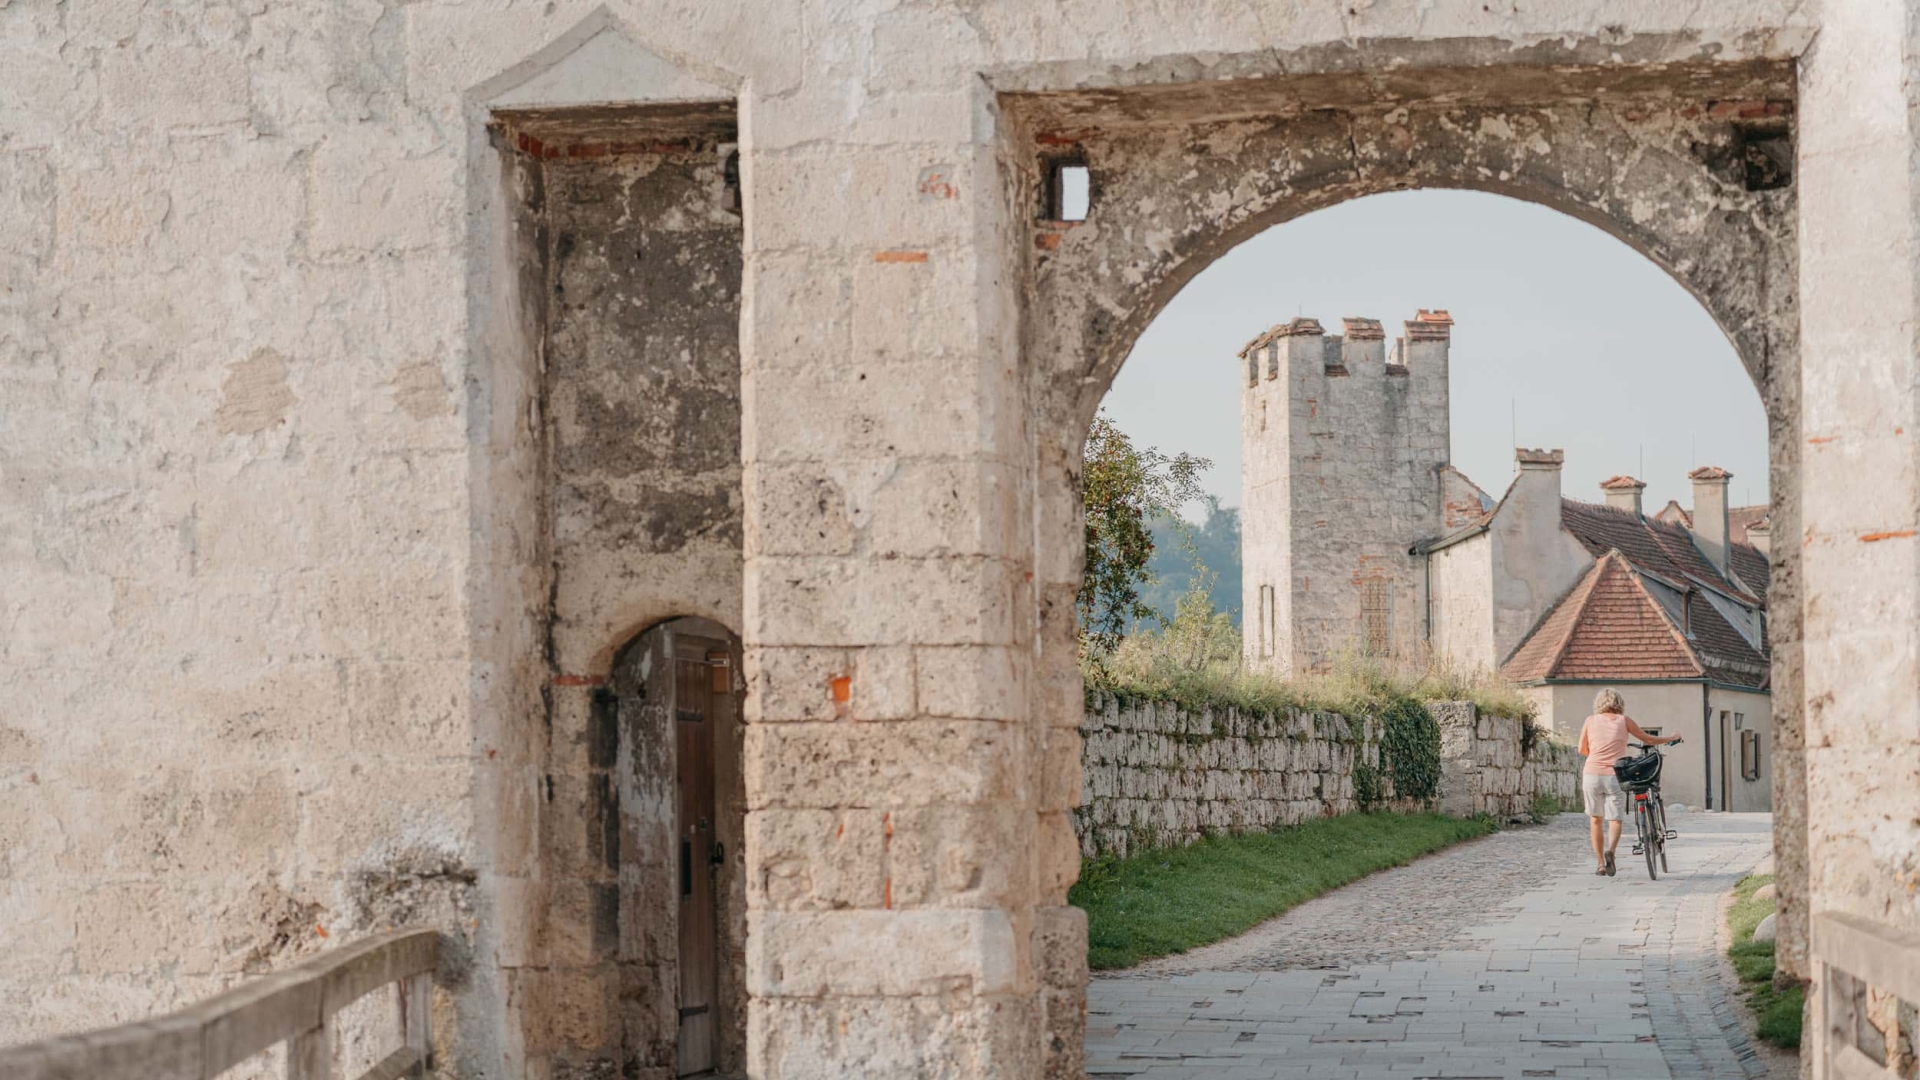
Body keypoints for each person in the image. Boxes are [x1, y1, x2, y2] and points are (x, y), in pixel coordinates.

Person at [1577, 688, 1676, 876]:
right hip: (1614, 775)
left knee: (1595, 820)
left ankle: (1600, 864)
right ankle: (1611, 852)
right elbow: (1647, 739)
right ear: (1620, 704)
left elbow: (1582, 749)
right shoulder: (1624, 721)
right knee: (1615, 819)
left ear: (1598, 703)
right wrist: (1671, 737)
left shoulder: (1590, 721)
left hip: (1591, 774)